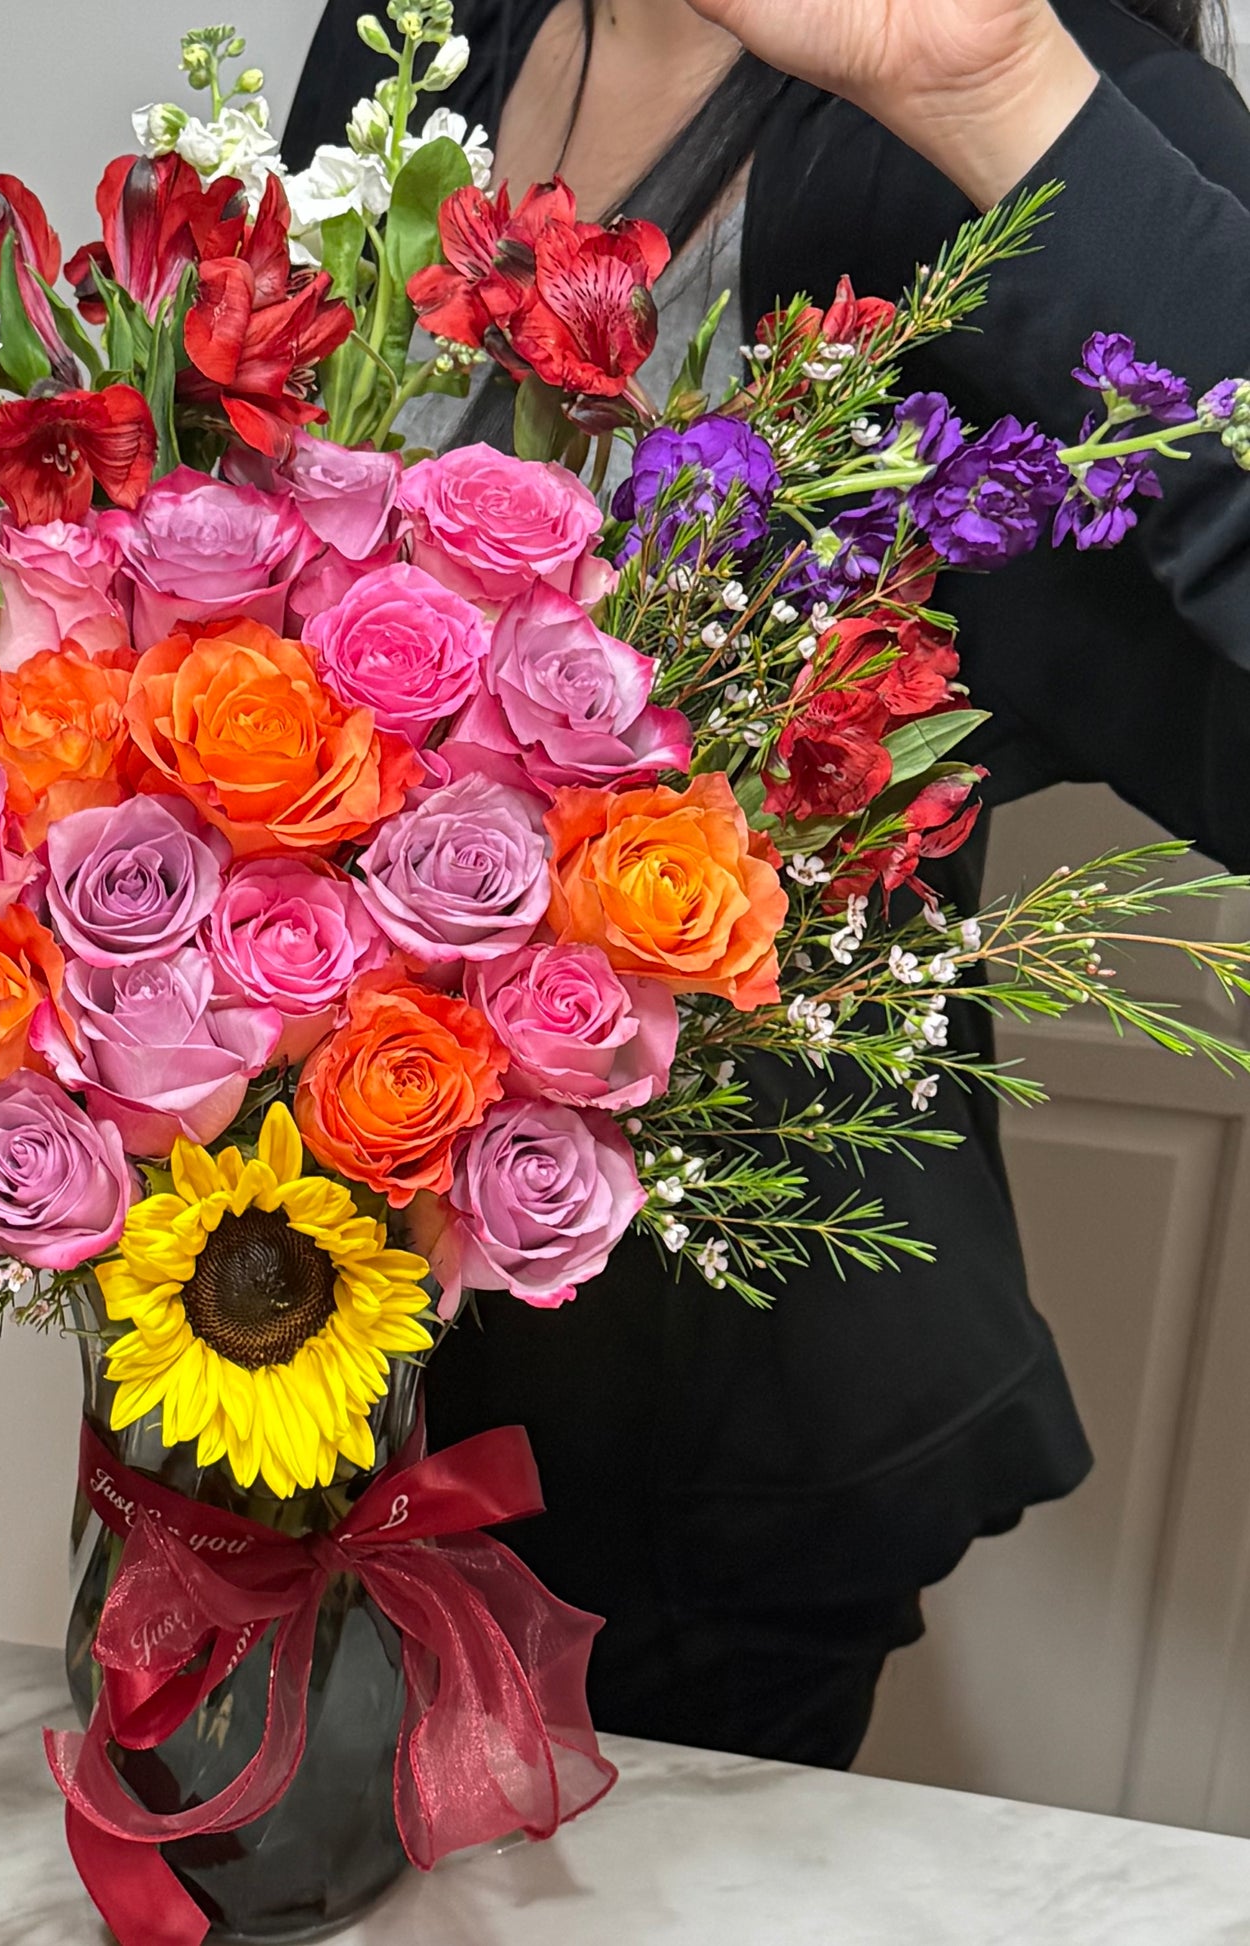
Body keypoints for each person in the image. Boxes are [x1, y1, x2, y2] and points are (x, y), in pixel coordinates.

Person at [284, 0, 1250, 1769]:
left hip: (710, 1439)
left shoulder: (1016, 101)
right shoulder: (415, 32)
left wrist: (994, 93)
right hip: (283, 1313)